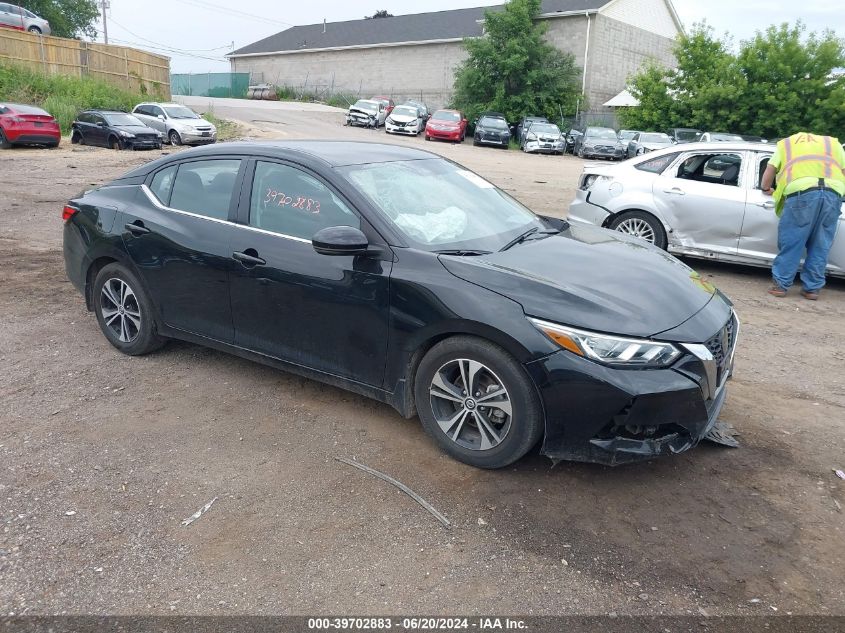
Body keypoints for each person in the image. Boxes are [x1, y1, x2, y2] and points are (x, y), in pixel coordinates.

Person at [760, 132, 845, 300]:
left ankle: (780, 286)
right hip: (833, 194)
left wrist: (765, 188)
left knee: (793, 240)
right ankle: (812, 289)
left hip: (802, 193)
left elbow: (770, 169)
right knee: (821, 243)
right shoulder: (833, 144)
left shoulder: (787, 144)